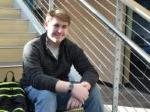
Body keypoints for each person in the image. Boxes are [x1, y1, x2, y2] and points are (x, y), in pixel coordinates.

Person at [20, 8, 104, 112]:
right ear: (46, 25)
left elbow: (90, 70)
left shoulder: (71, 48)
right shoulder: (32, 47)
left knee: (93, 89)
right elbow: (36, 78)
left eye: (64, 26)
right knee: (47, 95)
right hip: (34, 89)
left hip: (61, 90)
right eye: (56, 25)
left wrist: (82, 88)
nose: (60, 31)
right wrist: (71, 88)